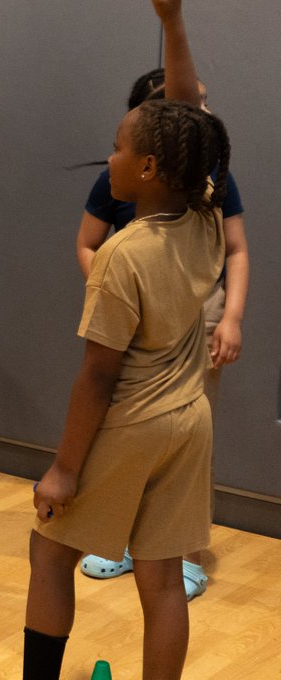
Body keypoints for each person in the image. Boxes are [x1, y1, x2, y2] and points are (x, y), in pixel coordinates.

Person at [24, 0, 228, 680]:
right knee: (162, 574)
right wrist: (173, 25)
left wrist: (62, 470)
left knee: (49, 551)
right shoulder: (203, 217)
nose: (107, 157)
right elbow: (188, 119)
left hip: (133, 423)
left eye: (117, 147)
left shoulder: (122, 253)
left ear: (147, 170)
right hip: (190, 421)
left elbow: (98, 379)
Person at [73, 71, 248, 601]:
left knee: (184, 439)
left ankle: (182, 551)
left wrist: (232, 316)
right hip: (133, 318)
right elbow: (89, 245)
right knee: (127, 437)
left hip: (194, 319)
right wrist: (123, 298)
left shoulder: (206, 204)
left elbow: (235, 250)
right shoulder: (121, 213)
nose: (200, 111)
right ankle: (122, 539)